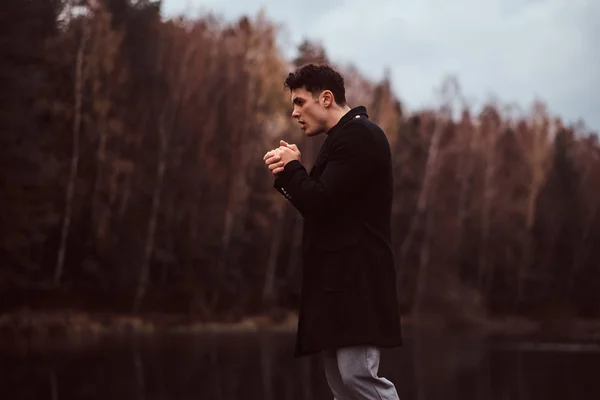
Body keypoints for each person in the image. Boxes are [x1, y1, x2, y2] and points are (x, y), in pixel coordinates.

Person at [263, 63, 402, 400]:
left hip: (358, 283)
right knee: (342, 386)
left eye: (300, 102)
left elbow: (320, 202)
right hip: (337, 285)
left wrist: (293, 168)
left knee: (358, 379)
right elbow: (322, 207)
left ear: (326, 98)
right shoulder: (341, 139)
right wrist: (291, 172)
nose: (294, 112)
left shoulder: (359, 136)